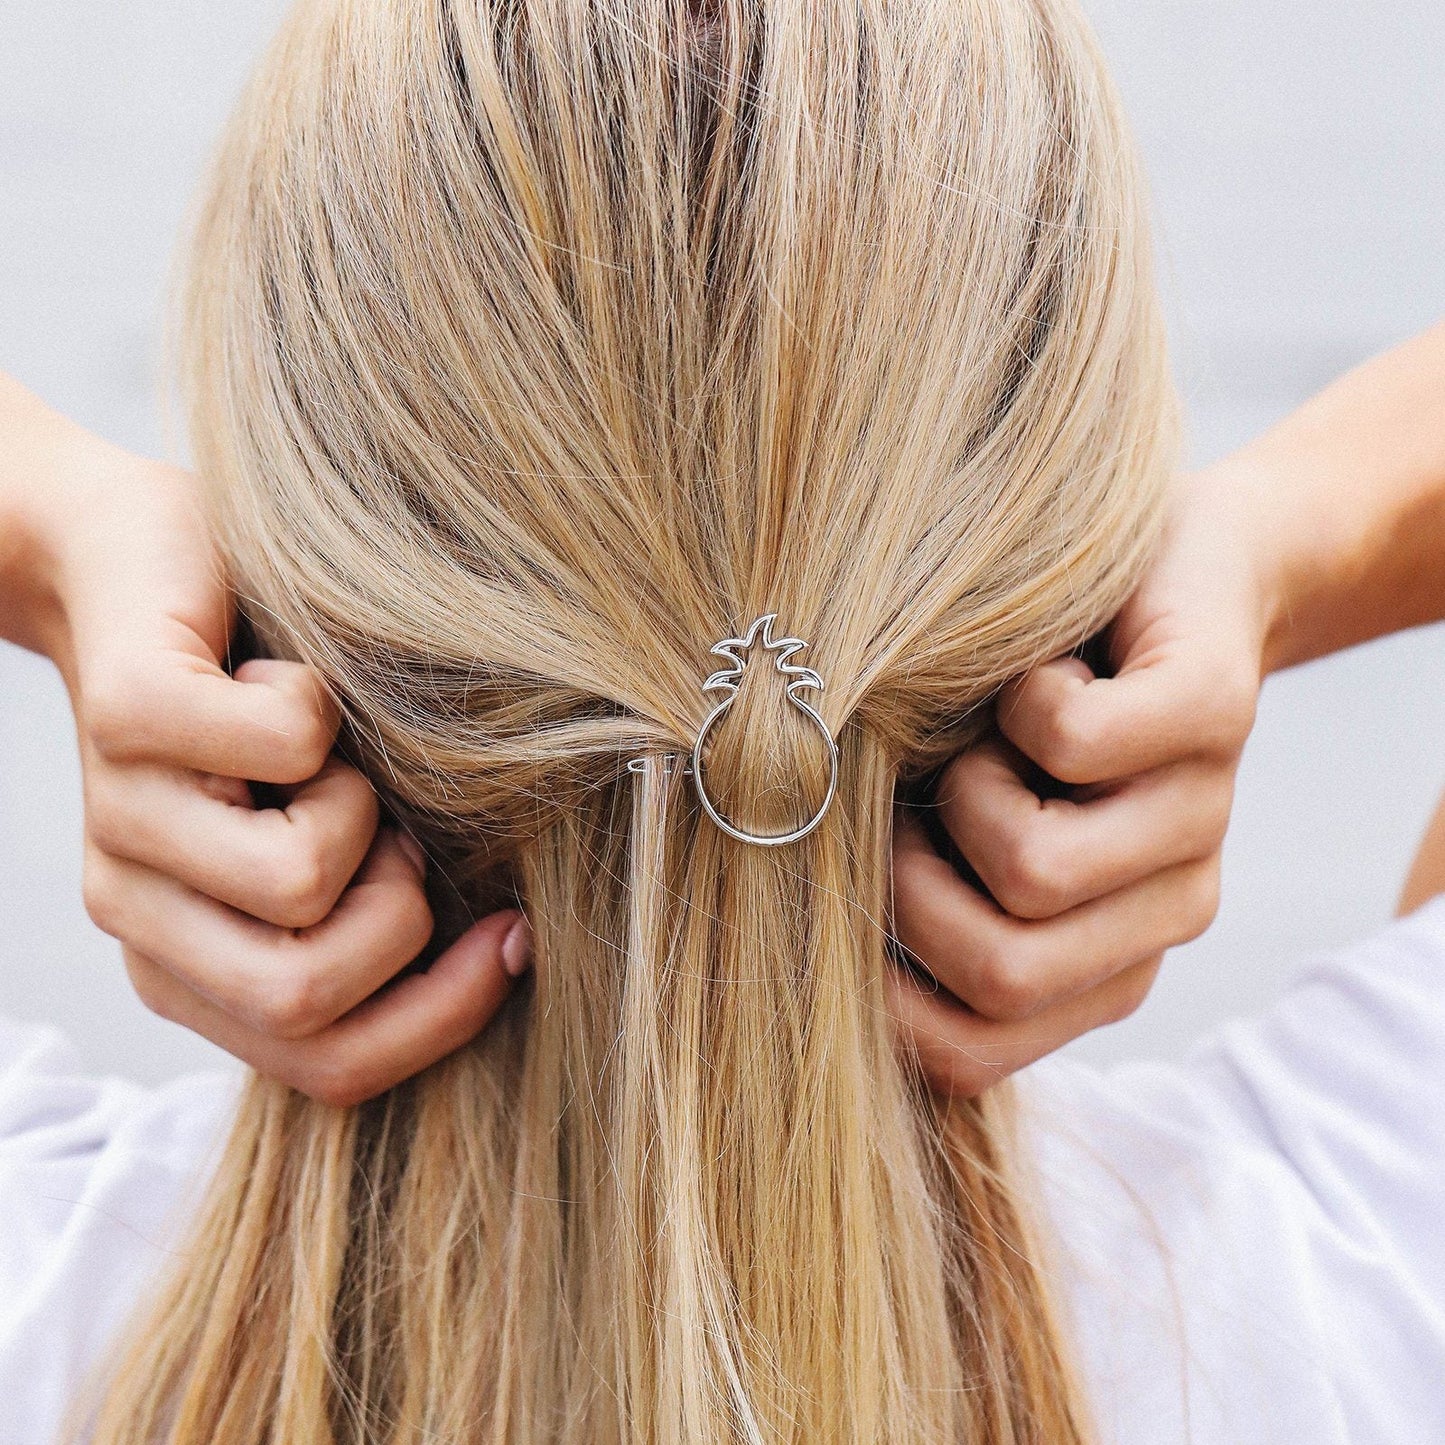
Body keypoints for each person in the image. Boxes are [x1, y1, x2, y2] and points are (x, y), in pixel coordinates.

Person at [0, 0, 1442, 1440]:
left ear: (296, 517)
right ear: (1057, 517)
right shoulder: (1377, 1241)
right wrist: (1274, 548)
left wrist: (67, 542)